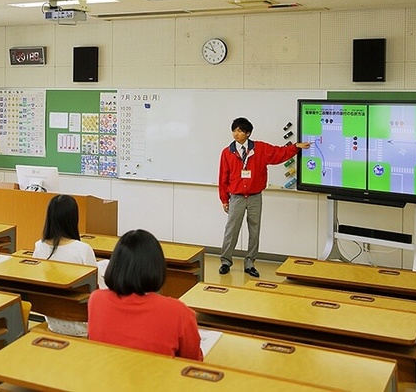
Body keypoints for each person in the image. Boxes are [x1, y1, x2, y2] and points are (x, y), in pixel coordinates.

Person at [88, 229, 202, 361]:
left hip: (105, 377)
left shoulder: (96, 299)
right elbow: (193, 360)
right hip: (157, 379)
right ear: (157, 267)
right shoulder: (178, 311)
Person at [218, 117, 310, 277]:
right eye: (234, 130)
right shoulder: (227, 152)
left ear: (248, 133)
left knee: (254, 230)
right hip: (237, 197)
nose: (235, 134)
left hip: (255, 197)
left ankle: (250, 263)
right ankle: (226, 261)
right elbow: (223, 178)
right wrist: (224, 199)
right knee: (231, 230)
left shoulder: (259, 148)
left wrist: (295, 147)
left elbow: (278, 153)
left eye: (239, 131)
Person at [33, 194, 100, 337]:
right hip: (83, 325)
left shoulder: (39, 247)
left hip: (52, 321)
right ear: (73, 219)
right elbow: (97, 290)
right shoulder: (83, 250)